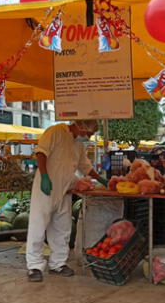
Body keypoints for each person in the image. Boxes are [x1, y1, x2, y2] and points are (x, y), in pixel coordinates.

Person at [27, 120, 108, 282]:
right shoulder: (55, 131)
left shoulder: (78, 145)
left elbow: (85, 166)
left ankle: (58, 264)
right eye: (88, 133)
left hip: (65, 189)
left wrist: (102, 179)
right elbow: (41, 152)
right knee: (38, 226)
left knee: (62, 228)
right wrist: (44, 175)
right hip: (46, 188)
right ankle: (34, 266)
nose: (88, 137)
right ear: (81, 126)